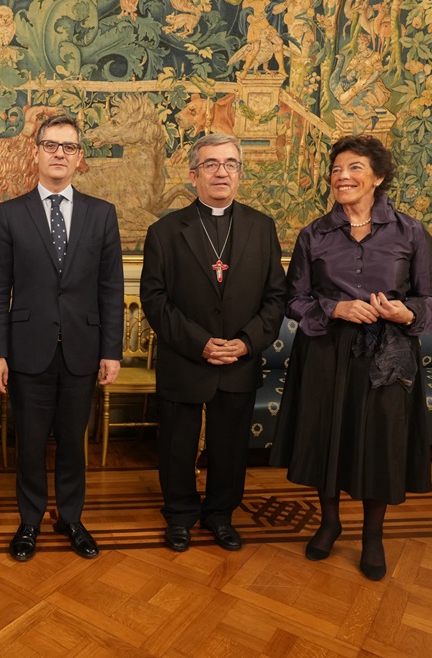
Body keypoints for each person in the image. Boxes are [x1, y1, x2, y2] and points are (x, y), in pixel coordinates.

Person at [269, 134, 432, 581]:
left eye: (355, 168)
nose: (342, 176)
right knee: (327, 436)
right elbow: (294, 299)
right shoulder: (314, 234)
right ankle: (329, 523)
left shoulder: (411, 232)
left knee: (380, 442)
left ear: (378, 177)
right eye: (336, 169)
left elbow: (430, 298)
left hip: (389, 355)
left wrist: (406, 312)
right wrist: (335, 307)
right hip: (326, 351)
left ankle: (373, 535)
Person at [0, 114, 124, 562]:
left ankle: (71, 517)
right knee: (29, 442)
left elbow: (111, 288)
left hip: (82, 349)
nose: (59, 153)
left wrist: (111, 350)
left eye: (68, 146)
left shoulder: (101, 214)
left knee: (71, 441)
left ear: (79, 157)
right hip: (27, 351)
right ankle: (29, 522)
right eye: (51, 145)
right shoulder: (9, 214)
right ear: (37, 152)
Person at [139, 133, 286, 553]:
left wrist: (245, 343)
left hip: (239, 360)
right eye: (210, 164)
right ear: (192, 175)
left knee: (229, 447)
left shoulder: (262, 227)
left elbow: (277, 297)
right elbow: (155, 299)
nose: (221, 172)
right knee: (177, 446)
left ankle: (221, 514)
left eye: (230, 164)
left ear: (240, 173)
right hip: (186, 358)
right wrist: (201, 343)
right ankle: (180, 515)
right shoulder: (165, 231)